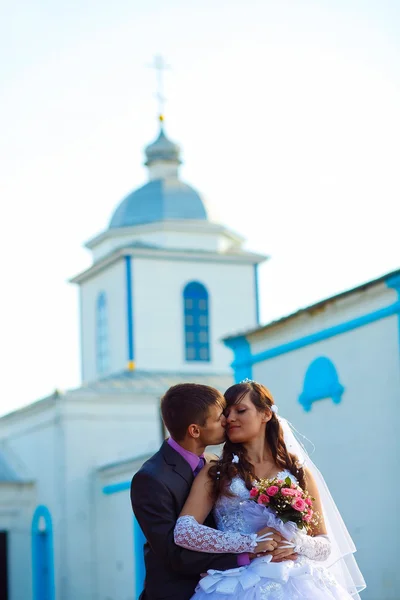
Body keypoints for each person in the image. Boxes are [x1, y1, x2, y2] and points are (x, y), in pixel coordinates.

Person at [174, 380, 366, 599]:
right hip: (238, 586)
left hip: (299, 584)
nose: (230, 419)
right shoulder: (217, 472)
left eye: (241, 410)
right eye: (226, 413)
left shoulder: (297, 473)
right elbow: (184, 530)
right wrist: (249, 543)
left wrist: (297, 543)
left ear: (265, 414)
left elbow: (324, 543)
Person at [130, 383, 280, 600]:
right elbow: (174, 555)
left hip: (236, 586)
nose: (227, 421)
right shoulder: (151, 479)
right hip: (179, 593)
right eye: (220, 417)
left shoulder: (215, 464)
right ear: (194, 430)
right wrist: (247, 553)